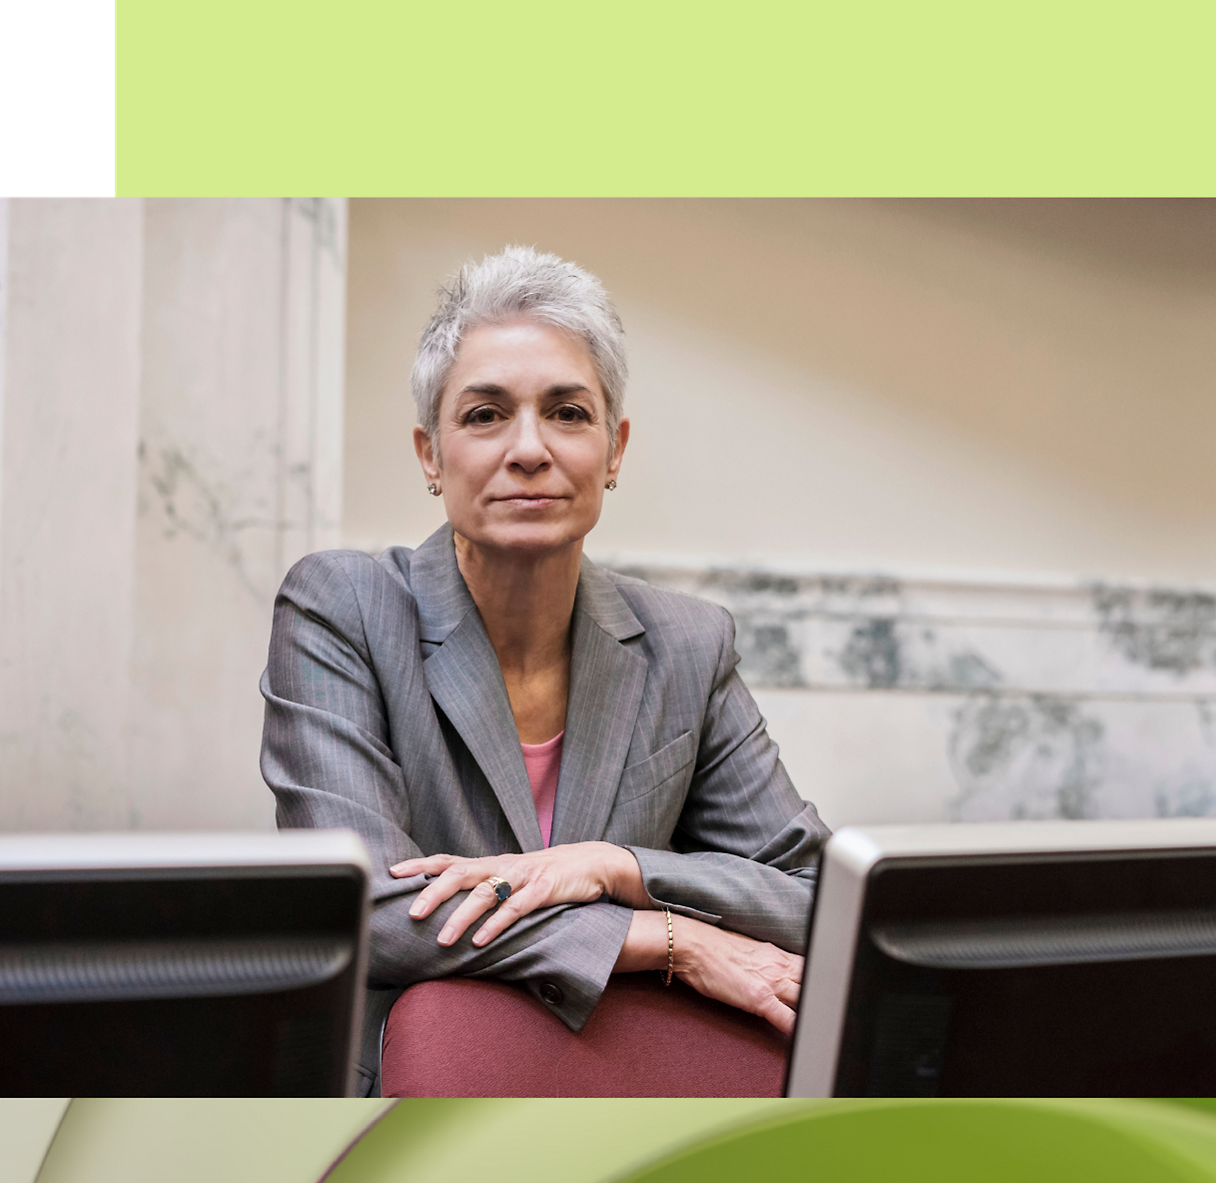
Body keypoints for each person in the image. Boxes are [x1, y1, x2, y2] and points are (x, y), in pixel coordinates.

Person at [259, 246, 829, 1095]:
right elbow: (368, 909)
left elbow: (814, 896)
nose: (529, 449)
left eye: (567, 413)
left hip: (628, 1093)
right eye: (486, 415)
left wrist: (619, 868)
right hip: (395, 1102)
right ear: (429, 453)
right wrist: (669, 940)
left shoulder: (688, 643)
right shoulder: (342, 608)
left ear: (613, 449)